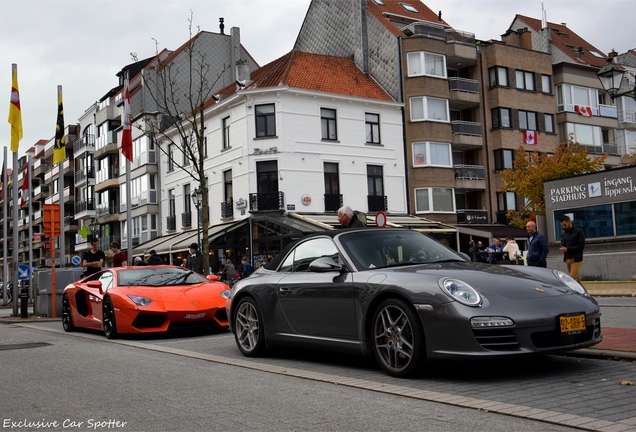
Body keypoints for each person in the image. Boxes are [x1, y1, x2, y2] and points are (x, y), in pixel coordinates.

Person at [559, 215, 585, 283]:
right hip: (568, 258)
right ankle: (584, 293)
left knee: (571, 279)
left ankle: (570, 292)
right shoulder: (563, 233)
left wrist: (567, 249)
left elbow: (581, 246)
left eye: (565, 225)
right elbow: (563, 243)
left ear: (569, 222)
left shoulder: (578, 232)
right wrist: (562, 248)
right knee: (576, 280)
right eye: (562, 225)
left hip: (576, 259)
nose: (563, 227)